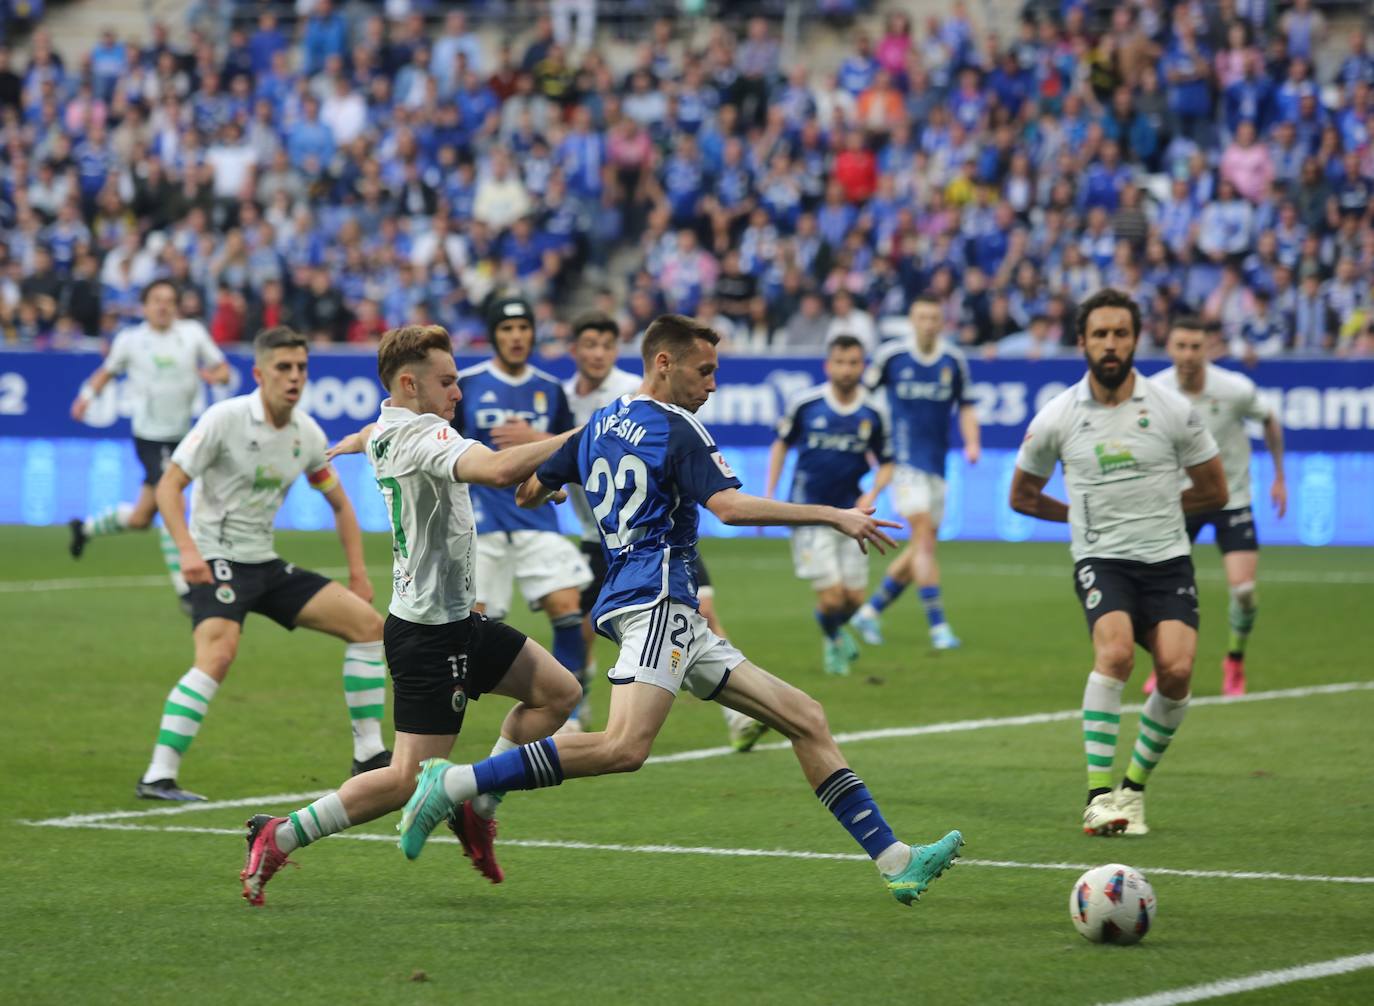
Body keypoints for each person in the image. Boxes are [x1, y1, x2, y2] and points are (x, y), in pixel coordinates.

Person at [395, 314, 964, 907]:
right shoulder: (679, 428)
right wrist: (834, 514)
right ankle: (454, 782)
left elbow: (528, 491)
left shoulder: (601, 420)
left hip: (665, 608)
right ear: (664, 364)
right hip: (656, 598)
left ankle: (896, 861)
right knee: (623, 747)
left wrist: (560, 487)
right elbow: (732, 508)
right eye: (705, 370)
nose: (712, 385)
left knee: (805, 717)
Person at [239, 324, 582, 906]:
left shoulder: (397, 426)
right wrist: (585, 431)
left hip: (458, 622)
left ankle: (478, 805)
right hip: (427, 636)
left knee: (557, 693)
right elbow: (497, 470)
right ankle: (282, 834)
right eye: (447, 382)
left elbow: (382, 430)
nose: (457, 393)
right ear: (408, 383)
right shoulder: (419, 437)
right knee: (405, 781)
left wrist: (357, 438)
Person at [1009, 289, 1227, 837]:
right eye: (1101, 334)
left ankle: (1132, 789)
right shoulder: (1057, 416)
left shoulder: (1172, 410)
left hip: (1167, 558)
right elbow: (1023, 496)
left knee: (1177, 672)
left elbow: (1214, 489)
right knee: (1116, 653)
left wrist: (1155, 509)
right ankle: (1098, 795)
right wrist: (1081, 519)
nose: (1111, 344)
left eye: (1121, 334)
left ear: (1136, 339)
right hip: (1101, 558)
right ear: (1082, 342)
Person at [141, 327, 390, 802]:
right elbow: (169, 486)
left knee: (367, 626)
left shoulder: (307, 433)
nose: (294, 377)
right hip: (218, 559)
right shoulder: (224, 419)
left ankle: (368, 754)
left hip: (265, 562)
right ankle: (158, 775)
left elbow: (339, 504)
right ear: (259, 373)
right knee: (218, 656)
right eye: (283, 368)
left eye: (301, 368)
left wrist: (358, 573)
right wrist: (188, 551)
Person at [561, 311, 765, 750]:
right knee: (621, 741)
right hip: (603, 537)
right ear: (573, 351)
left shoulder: (625, 397)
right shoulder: (568, 401)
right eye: (589, 345)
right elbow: (562, 453)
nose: (598, 354)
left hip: (660, 538)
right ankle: (574, 710)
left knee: (703, 611)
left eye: (606, 345)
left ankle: (737, 714)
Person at [454, 295, 594, 725]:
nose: (516, 337)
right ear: (494, 335)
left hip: (539, 521)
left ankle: (567, 715)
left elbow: (569, 449)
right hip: (483, 526)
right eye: (506, 329)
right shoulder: (467, 384)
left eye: (523, 328)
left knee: (568, 609)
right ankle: (447, 712)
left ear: (533, 332)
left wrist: (551, 480)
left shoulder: (550, 390)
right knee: (469, 631)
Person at [68, 279, 231, 609]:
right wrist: (85, 397)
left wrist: (218, 377)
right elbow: (107, 372)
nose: (163, 306)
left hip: (184, 435)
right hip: (149, 436)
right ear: (144, 306)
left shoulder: (192, 334)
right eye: (156, 300)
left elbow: (223, 368)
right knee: (173, 503)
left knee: (143, 516)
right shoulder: (131, 340)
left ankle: (84, 528)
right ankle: (186, 588)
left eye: (169, 300)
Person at [1149, 318, 1287, 697]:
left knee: (1243, 591)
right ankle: (1163, 661)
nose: (1189, 354)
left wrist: (1279, 476)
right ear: (1170, 349)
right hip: (1183, 498)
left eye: (1197, 346)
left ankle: (1234, 660)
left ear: (1208, 348)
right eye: (1182, 346)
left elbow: (1270, 419)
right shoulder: (1155, 391)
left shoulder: (1234, 389)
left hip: (1232, 497)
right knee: (1161, 587)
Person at [849, 294, 980, 651]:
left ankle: (870, 612)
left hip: (937, 464)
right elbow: (864, 398)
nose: (927, 324)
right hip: (903, 462)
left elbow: (967, 406)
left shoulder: (953, 360)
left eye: (933, 318)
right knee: (923, 539)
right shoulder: (892, 356)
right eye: (921, 317)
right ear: (912, 320)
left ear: (941, 322)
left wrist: (972, 442)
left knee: (922, 548)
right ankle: (938, 627)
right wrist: (869, 443)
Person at [766, 335, 893, 677]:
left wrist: (874, 493)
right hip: (809, 514)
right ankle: (833, 637)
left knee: (853, 599)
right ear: (828, 365)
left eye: (853, 362)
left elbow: (888, 461)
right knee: (833, 598)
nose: (846, 369)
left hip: (851, 516)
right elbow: (781, 445)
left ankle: (834, 630)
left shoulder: (874, 412)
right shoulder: (806, 404)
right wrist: (770, 492)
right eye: (840, 362)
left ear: (863, 366)